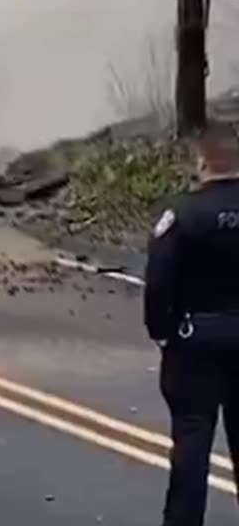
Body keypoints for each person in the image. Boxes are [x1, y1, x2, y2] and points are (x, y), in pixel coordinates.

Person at [145, 122, 239, 526]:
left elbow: (160, 281)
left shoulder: (181, 214)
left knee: (191, 450)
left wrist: (162, 333)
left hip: (195, 344)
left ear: (202, 163)